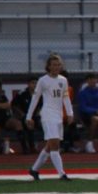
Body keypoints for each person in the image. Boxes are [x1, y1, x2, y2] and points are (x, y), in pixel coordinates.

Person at [25, 53, 74, 181]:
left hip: (58, 115)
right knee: (55, 144)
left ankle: (34, 170)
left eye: (58, 65)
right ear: (48, 66)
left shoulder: (63, 80)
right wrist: (29, 116)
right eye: (54, 65)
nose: (56, 67)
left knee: (49, 145)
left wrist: (70, 113)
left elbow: (66, 98)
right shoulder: (43, 80)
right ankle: (62, 174)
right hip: (47, 115)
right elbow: (35, 99)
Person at [0, 77, 24, 154]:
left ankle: (25, 147)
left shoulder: (1, 96)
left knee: (18, 124)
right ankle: (0, 149)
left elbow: (8, 105)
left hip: (4, 118)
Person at [11, 76, 38, 154]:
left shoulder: (40, 94)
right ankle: (26, 147)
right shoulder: (22, 94)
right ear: (28, 84)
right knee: (28, 123)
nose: (35, 85)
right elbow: (14, 105)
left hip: (36, 116)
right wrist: (22, 114)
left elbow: (43, 105)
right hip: (24, 116)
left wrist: (38, 113)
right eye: (33, 83)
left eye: (36, 83)